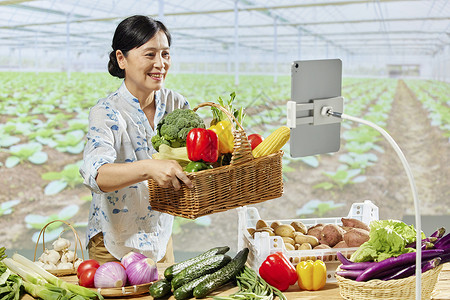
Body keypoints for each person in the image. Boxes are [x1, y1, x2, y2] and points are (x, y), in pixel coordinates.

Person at [79, 15, 193, 265]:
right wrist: (148, 168)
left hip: (161, 238)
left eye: (165, 54)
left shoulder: (177, 104)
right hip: (113, 242)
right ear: (122, 58)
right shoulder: (106, 112)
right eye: (150, 54)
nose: (160, 63)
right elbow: (96, 175)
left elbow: (198, 160)